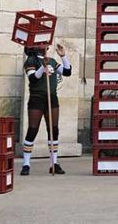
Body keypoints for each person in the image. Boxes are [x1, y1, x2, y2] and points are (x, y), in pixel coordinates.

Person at [21, 43, 72, 175]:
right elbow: (33, 78)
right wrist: (42, 67)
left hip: (51, 97)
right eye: (43, 45)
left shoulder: (53, 61)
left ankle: (53, 163)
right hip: (36, 98)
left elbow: (67, 72)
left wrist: (63, 56)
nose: (46, 46)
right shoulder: (30, 61)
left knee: (53, 129)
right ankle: (26, 164)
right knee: (33, 129)